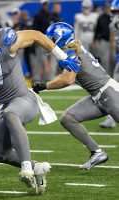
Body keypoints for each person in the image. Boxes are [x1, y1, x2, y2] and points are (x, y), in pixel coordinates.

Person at [0, 8, 80, 194]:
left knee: (11, 114)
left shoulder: (4, 38)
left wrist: (60, 56)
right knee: (0, 155)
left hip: (24, 99)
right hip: (4, 105)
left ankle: (27, 167)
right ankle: (38, 168)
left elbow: (37, 36)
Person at [33, 22, 113, 170]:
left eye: (52, 39)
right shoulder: (72, 49)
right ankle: (97, 152)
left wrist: (44, 86)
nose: (49, 43)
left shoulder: (71, 52)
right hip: (98, 96)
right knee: (68, 119)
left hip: (110, 94)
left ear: (61, 39)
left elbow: (67, 79)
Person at [99, 0, 119, 128]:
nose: (116, 14)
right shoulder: (113, 25)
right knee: (112, 89)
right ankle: (111, 118)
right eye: (114, 12)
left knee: (112, 89)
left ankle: (111, 118)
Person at [32, 0, 51, 82]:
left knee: (48, 60)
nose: (45, 6)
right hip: (40, 41)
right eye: (44, 4)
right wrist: (36, 40)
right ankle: (37, 77)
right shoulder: (37, 15)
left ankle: (48, 77)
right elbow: (35, 28)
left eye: (46, 4)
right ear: (41, 5)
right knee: (40, 60)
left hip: (49, 41)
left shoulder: (50, 15)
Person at [92, 2, 112, 75]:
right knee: (105, 60)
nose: (107, 9)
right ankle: (105, 75)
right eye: (106, 7)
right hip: (103, 41)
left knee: (113, 59)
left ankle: (113, 76)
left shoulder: (114, 17)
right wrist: (94, 40)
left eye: (108, 7)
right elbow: (96, 30)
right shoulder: (101, 18)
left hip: (113, 42)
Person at [47, 2, 63, 80]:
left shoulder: (59, 17)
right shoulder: (51, 17)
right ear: (53, 8)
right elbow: (52, 31)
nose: (57, 9)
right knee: (52, 60)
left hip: (58, 42)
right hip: (52, 42)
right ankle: (51, 78)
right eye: (55, 7)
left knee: (57, 60)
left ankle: (55, 76)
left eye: (58, 7)